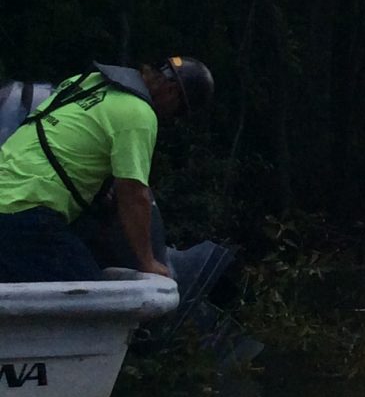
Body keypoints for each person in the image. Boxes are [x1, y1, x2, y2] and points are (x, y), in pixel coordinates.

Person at [0, 57, 213, 283]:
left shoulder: (85, 83)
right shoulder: (138, 113)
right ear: (172, 92)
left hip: (10, 200)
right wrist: (147, 262)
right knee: (94, 302)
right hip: (26, 210)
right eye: (177, 112)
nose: (170, 118)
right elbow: (133, 194)